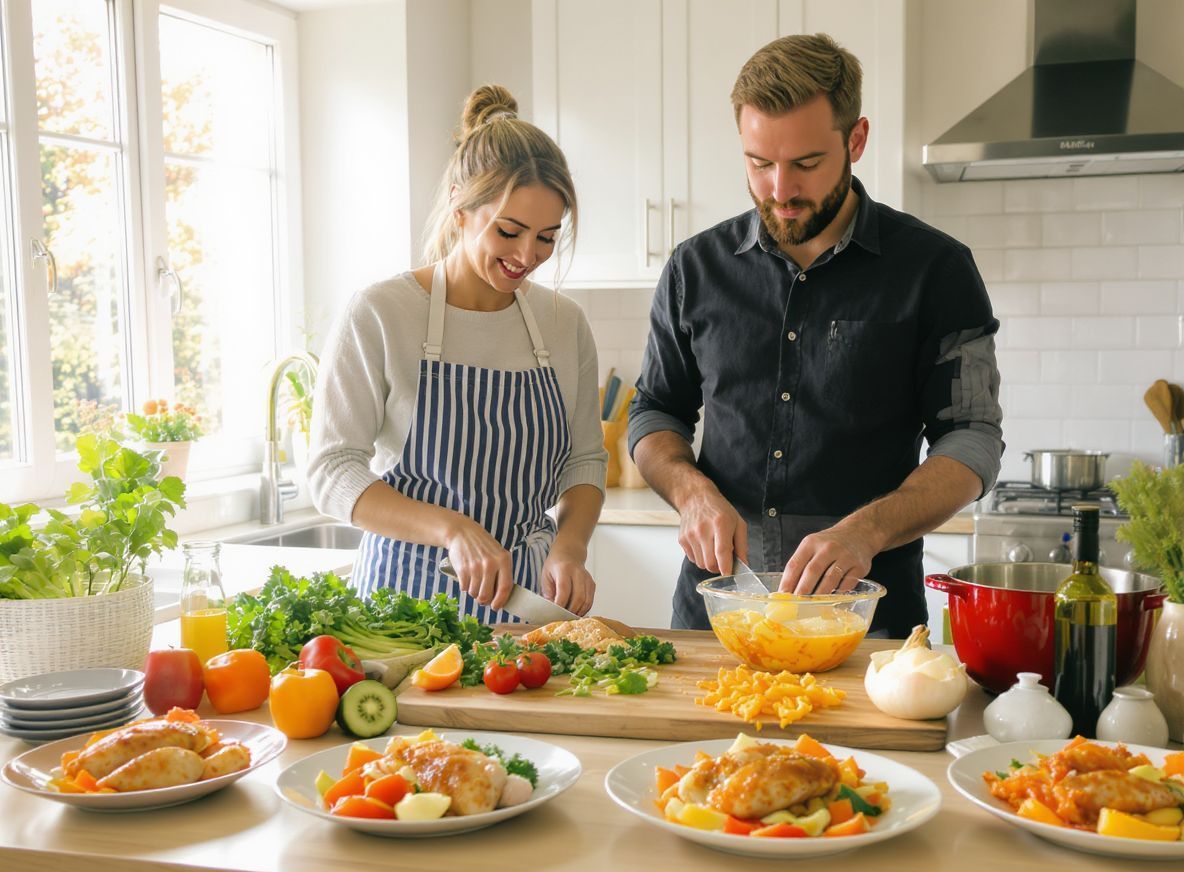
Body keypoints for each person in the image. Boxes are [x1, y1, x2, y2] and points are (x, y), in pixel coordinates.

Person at [628, 34, 1003, 637]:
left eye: (805, 164)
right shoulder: (693, 269)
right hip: (713, 619)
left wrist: (868, 529)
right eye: (758, 162)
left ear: (856, 140)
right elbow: (654, 413)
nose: (780, 190)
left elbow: (973, 436)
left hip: (869, 626)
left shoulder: (936, 270)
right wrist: (690, 490)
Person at [308, 85, 608, 624]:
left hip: (526, 610)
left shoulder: (564, 325)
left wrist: (570, 547)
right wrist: (453, 528)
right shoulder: (382, 312)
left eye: (546, 238)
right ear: (459, 205)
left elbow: (584, 460)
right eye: (509, 231)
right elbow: (332, 472)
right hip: (400, 611)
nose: (526, 257)